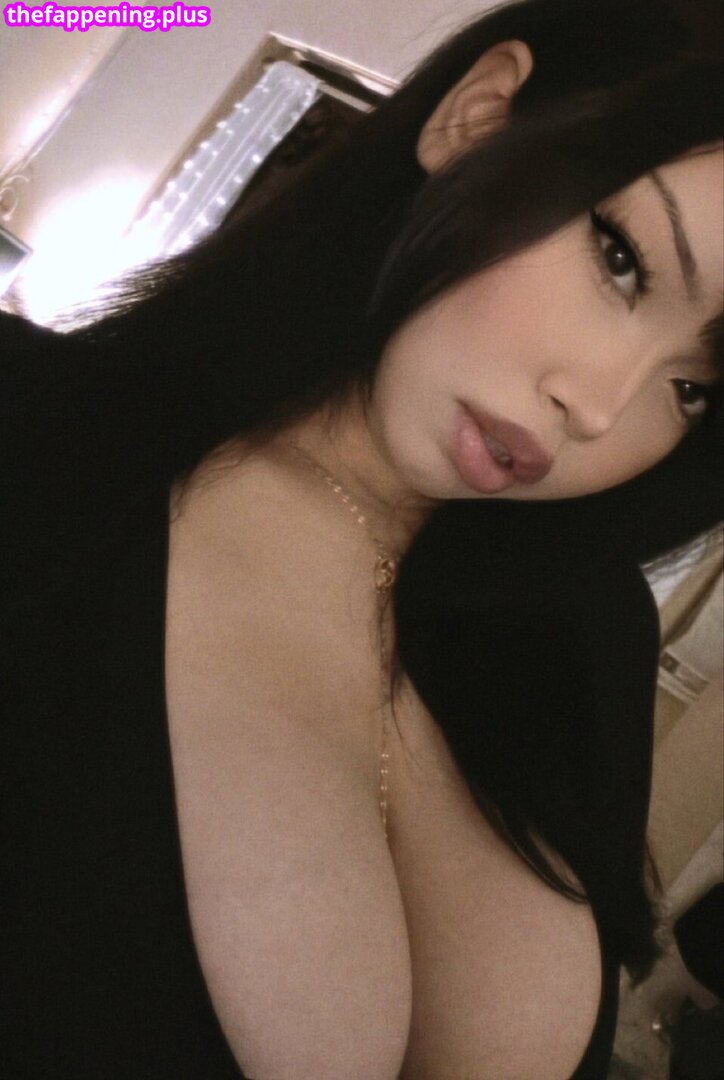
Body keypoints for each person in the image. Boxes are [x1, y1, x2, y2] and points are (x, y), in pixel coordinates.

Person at [2, 0, 722, 1076]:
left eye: (693, 386)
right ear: (476, 116)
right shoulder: (35, 436)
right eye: (620, 259)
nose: (599, 407)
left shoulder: (584, 635)